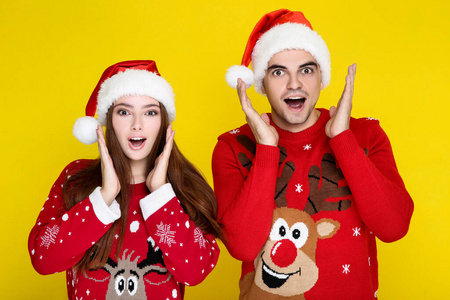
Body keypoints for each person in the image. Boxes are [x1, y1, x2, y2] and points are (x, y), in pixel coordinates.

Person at [212, 9, 414, 299]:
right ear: (261, 83)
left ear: (322, 77)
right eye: (278, 72)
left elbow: (394, 227)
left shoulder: (366, 135)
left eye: (306, 70)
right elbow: (242, 246)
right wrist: (267, 148)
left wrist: (343, 140)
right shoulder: (233, 147)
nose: (294, 84)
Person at [28, 60, 222, 300]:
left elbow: (195, 271)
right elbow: (43, 258)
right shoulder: (75, 178)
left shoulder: (185, 186)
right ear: (108, 120)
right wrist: (104, 195)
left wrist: (161, 194)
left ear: (164, 122)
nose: (137, 125)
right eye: (124, 112)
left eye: (150, 112)